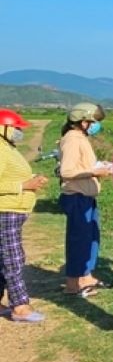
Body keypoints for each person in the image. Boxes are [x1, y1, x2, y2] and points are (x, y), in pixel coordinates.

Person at [58, 102, 113, 297]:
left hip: (86, 196)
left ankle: (86, 276)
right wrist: (94, 172)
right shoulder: (72, 139)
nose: (96, 125)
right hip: (77, 197)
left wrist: (99, 166)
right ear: (83, 121)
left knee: (90, 239)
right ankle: (73, 283)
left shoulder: (81, 138)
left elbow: (82, 165)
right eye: (94, 121)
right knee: (79, 240)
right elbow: (67, 171)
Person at [0, 109, 50, 323]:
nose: (19, 131)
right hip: (6, 210)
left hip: (14, 210)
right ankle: (20, 306)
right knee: (13, 258)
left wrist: (31, 179)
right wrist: (24, 185)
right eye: (16, 128)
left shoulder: (8, 147)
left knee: (3, 258)